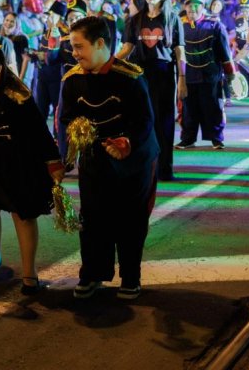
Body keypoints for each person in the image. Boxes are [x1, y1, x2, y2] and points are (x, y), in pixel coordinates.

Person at [59, 16, 159, 300]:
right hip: (94, 160)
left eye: (79, 47)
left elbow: (145, 121)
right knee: (92, 218)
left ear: (100, 43)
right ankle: (92, 274)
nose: (74, 53)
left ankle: (130, 277)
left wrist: (127, 143)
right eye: (72, 47)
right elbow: (65, 119)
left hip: (133, 161)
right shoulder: (72, 79)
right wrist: (67, 154)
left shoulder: (131, 77)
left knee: (130, 220)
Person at [0, 43, 65, 293]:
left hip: (19, 161)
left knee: (23, 216)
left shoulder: (18, 95)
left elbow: (39, 131)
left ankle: (30, 274)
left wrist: (53, 163)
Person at [117, 0, 186, 180]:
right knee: (141, 121)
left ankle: (164, 169)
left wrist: (182, 79)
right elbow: (127, 48)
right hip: (140, 74)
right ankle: (143, 168)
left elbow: (180, 52)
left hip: (164, 75)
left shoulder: (173, 19)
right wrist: (108, 62)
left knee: (164, 123)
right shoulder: (135, 20)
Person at [176, 0, 237, 149]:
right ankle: (188, 138)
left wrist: (231, 75)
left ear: (203, 6)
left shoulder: (215, 26)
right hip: (188, 76)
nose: (192, 8)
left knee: (213, 107)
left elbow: (225, 53)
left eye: (196, 5)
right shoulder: (179, 26)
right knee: (188, 110)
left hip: (210, 76)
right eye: (189, 5)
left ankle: (216, 138)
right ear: (185, 6)